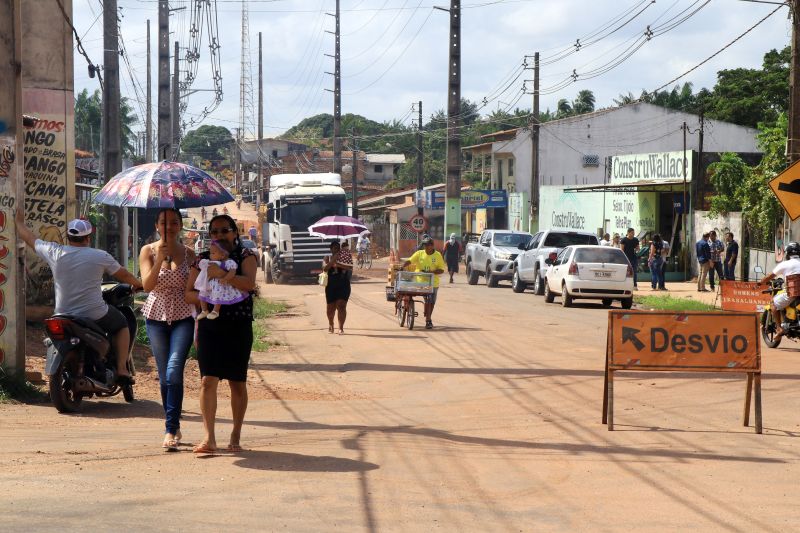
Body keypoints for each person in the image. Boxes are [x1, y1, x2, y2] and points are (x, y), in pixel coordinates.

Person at [15, 209, 142, 383]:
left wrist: (18, 221)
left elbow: (30, 239)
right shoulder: (99, 256)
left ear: (68, 237)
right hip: (94, 313)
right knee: (121, 323)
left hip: (63, 313)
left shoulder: (55, 252)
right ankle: (121, 369)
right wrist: (138, 283)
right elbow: (124, 276)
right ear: (88, 238)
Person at [186, 214, 257, 454]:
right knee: (208, 380)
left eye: (224, 231)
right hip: (209, 326)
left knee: (237, 382)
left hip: (238, 324)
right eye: (214, 232)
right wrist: (208, 296)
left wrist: (223, 276)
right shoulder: (203, 260)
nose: (218, 236)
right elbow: (188, 293)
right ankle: (209, 438)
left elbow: (249, 284)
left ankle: (235, 434)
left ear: (235, 233)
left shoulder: (246, 256)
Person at [139, 208, 196, 451]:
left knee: (174, 371)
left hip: (183, 316)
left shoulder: (190, 254)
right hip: (156, 315)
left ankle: (171, 428)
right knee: (164, 376)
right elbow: (147, 285)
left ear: (180, 226)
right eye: (164, 222)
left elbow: (195, 288)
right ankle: (173, 423)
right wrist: (160, 259)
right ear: (156, 225)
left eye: (174, 222)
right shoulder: (148, 251)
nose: (169, 227)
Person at [195, 240, 249, 320]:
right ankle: (204, 310)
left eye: (213, 253)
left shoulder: (228, 262)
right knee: (202, 293)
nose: (210, 255)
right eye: (210, 253)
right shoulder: (211, 262)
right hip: (210, 283)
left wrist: (225, 278)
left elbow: (232, 272)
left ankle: (215, 311)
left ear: (222, 255)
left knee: (218, 294)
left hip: (220, 284)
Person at [403, 236, 445, 329]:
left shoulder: (437, 255)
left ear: (432, 246)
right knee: (428, 300)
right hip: (420, 282)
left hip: (433, 283)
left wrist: (431, 272)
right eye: (424, 245)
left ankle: (428, 317)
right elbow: (410, 261)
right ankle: (428, 320)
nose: (425, 247)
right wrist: (403, 266)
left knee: (432, 302)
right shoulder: (419, 253)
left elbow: (441, 270)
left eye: (427, 245)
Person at [760, 241, 800, 338]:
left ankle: (779, 328)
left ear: (788, 253)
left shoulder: (785, 264)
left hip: (793, 293)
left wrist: (761, 282)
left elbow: (771, 275)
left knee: (773, 303)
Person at [322, 240, 353, 334]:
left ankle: (341, 328)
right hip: (331, 286)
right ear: (330, 249)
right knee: (330, 308)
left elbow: (350, 267)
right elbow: (325, 268)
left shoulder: (345, 257)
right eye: (335, 248)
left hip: (343, 285)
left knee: (342, 306)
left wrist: (338, 264)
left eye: (338, 248)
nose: (337, 250)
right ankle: (331, 324)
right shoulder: (327, 258)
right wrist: (333, 260)